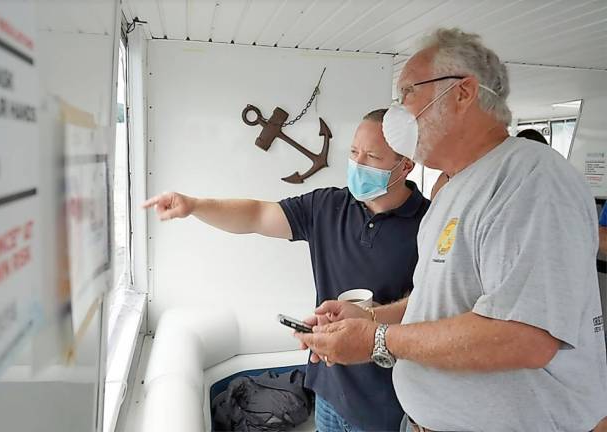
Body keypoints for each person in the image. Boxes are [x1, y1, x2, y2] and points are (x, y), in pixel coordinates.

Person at [296, 27, 607, 432]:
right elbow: (445, 301)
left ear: (462, 93)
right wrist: (371, 316)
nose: (398, 112)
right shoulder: (452, 187)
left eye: (408, 91)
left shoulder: (531, 178)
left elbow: (526, 336)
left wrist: (377, 341)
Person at [143, 109, 431, 431]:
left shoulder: (431, 224)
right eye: (353, 152)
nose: (358, 164)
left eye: (372, 156)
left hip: (386, 405)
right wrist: (195, 206)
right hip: (328, 392)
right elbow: (255, 215)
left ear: (406, 165)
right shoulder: (327, 206)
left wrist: (372, 317)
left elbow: (434, 307)